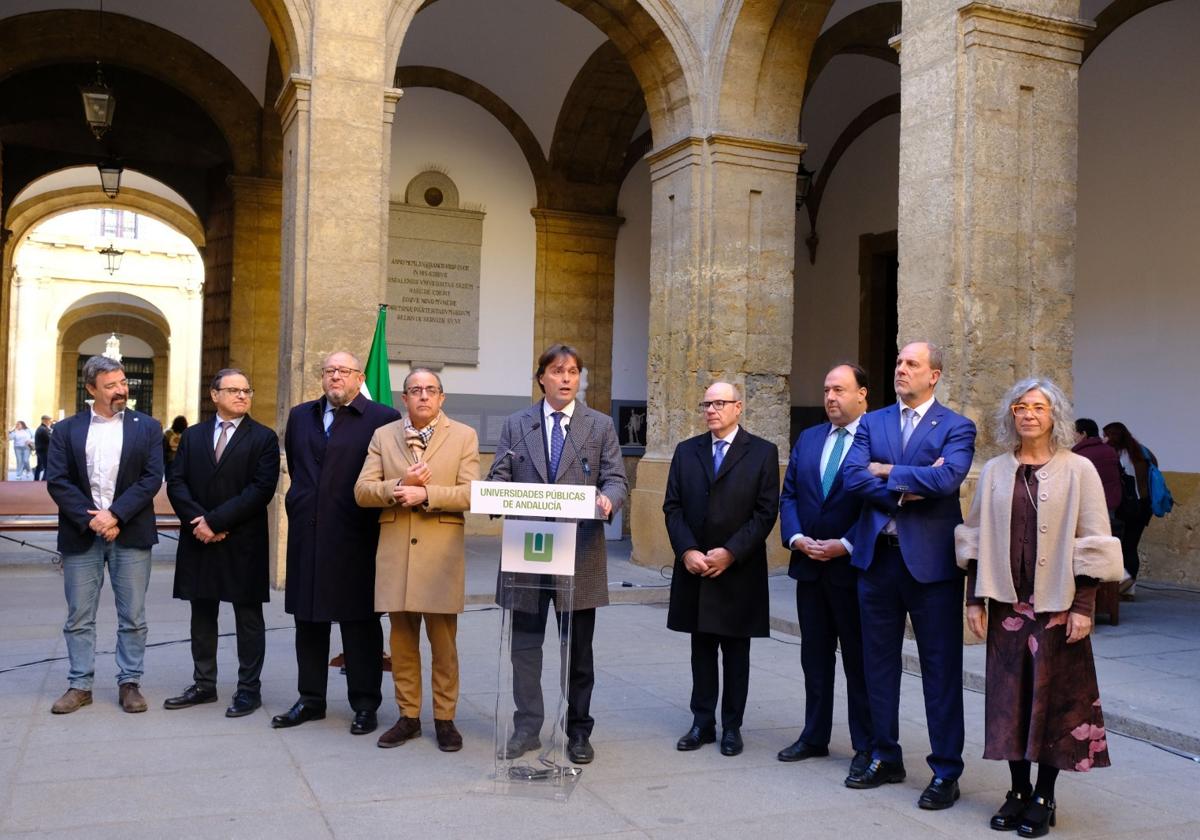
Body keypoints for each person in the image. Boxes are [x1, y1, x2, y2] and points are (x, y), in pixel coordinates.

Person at [957, 378, 1121, 837]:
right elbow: (974, 537)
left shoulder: (1079, 469)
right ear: (1010, 416)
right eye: (1020, 407)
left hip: (1058, 606)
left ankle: (1045, 797)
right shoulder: (993, 470)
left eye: (1038, 407)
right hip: (1007, 605)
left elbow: (1093, 542)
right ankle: (1016, 792)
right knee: (1008, 702)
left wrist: (1084, 606)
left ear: (1055, 416)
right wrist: (974, 597)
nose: (1028, 414)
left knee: (1053, 703)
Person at [841, 341, 976, 810]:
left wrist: (887, 470)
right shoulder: (872, 422)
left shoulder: (957, 426)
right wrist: (906, 486)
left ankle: (945, 770)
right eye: (898, 361)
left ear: (934, 375)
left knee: (940, 669)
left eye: (911, 363)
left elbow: (947, 480)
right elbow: (852, 478)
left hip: (932, 567)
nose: (900, 368)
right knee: (877, 665)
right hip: (878, 560)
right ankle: (884, 756)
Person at [491, 343, 627, 765]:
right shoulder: (518, 425)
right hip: (527, 554)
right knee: (525, 650)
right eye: (557, 371)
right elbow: (499, 474)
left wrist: (608, 500)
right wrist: (497, 493)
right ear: (542, 378)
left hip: (578, 553)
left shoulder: (599, 425)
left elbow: (616, 479)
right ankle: (527, 728)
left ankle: (579, 732)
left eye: (573, 372)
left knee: (578, 651)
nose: (567, 378)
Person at [274, 352, 400, 735]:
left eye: (343, 371)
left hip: (356, 536)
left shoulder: (382, 419)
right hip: (308, 534)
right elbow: (299, 468)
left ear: (359, 377)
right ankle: (310, 699)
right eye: (329, 371)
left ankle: (364, 704)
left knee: (359, 624)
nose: (335, 378)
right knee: (308, 621)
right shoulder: (301, 416)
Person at [354, 368, 479, 751]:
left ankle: (445, 720)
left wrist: (427, 495)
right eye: (415, 390)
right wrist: (399, 487)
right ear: (403, 399)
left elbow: (472, 493)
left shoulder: (463, 436)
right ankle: (408, 717)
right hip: (396, 556)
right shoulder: (383, 435)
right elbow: (362, 491)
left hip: (440, 554)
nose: (423, 396)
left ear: (442, 398)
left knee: (443, 647)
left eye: (431, 390)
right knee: (403, 644)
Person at [664, 381, 779, 757]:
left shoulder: (762, 452)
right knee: (701, 649)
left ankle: (732, 726)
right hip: (696, 568)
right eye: (706, 403)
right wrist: (687, 551)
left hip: (738, 570)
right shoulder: (686, 452)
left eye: (719, 403)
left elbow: (765, 513)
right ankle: (702, 722)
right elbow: (673, 507)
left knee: (735, 652)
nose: (711, 410)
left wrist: (730, 552)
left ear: (738, 407)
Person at [45, 355, 163, 714]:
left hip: (130, 533)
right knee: (79, 615)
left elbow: (150, 478)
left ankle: (130, 682)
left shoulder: (148, 427)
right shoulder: (66, 430)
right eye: (111, 385)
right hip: (83, 535)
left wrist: (115, 515)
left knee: (134, 616)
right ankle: (80, 685)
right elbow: (58, 481)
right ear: (91, 388)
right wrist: (92, 519)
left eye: (123, 383)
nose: (121, 390)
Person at [164, 369, 280, 718]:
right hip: (199, 538)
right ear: (214, 395)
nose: (243, 396)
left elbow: (261, 490)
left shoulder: (263, 438)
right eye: (234, 390)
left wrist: (215, 521)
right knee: (202, 613)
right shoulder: (194, 436)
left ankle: (249, 690)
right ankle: (204, 684)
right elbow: (176, 482)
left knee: (247, 617)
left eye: (247, 390)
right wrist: (199, 521)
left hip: (242, 540)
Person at [777, 364, 872, 775]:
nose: (830, 397)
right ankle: (814, 735)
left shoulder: (877, 438)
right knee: (814, 658)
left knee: (858, 662)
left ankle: (865, 745)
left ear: (862, 395)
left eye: (839, 390)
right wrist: (797, 538)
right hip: (810, 567)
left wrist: (845, 544)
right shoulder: (810, 437)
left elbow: (876, 504)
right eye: (826, 389)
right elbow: (791, 495)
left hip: (853, 569)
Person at [1102, 421, 1155, 597]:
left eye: (1106, 435)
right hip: (1144, 506)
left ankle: (1122, 587)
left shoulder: (1114, 455)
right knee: (1132, 546)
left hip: (1125, 507)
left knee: (1120, 548)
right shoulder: (1143, 451)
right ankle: (1130, 589)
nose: (1104, 439)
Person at [1072, 418, 1122, 519]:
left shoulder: (1080, 455)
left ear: (1083, 434)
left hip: (1089, 508)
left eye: (1074, 432)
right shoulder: (1110, 450)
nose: (1072, 436)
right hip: (1111, 503)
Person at [33, 416, 52, 481]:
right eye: (49, 420)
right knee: (47, 466)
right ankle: (44, 480)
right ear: (45, 420)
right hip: (44, 450)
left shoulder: (40, 428)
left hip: (39, 450)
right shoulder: (44, 429)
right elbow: (49, 439)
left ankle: (36, 479)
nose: (50, 422)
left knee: (39, 466)